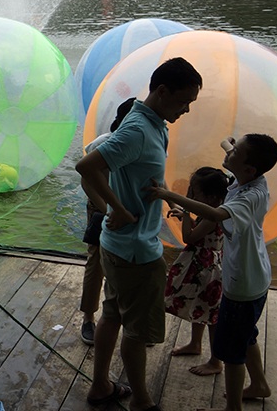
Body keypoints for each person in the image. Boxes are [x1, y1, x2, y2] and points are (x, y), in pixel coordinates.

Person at [76, 57, 202, 410]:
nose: (187, 109)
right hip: (135, 251)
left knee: (113, 314)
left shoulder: (151, 120)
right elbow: (86, 166)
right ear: (162, 92)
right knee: (135, 331)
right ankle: (143, 402)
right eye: (183, 102)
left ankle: (101, 385)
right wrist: (113, 208)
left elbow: (117, 171)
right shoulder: (137, 130)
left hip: (119, 246)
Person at [148, 134, 277, 411]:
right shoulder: (251, 179)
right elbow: (232, 151)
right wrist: (229, 143)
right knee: (247, 335)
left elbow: (216, 215)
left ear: (248, 169)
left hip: (242, 283)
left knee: (231, 352)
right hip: (256, 276)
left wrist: (169, 195)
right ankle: (259, 384)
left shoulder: (248, 198)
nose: (229, 153)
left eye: (235, 153)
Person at [78, 96, 136, 346]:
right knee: (97, 262)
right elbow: (87, 181)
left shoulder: (141, 143)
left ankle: (130, 320)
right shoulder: (104, 143)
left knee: (130, 265)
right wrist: (108, 212)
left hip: (127, 210)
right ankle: (89, 318)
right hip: (102, 208)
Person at [164, 166, 231, 376]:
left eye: (194, 192)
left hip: (206, 268)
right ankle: (195, 344)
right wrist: (189, 218)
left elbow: (189, 238)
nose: (189, 196)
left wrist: (185, 214)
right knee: (200, 306)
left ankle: (215, 361)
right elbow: (200, 230)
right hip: (204, 262)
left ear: (211, 198)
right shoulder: (210, 212)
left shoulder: (213, 216)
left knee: (211, 316)